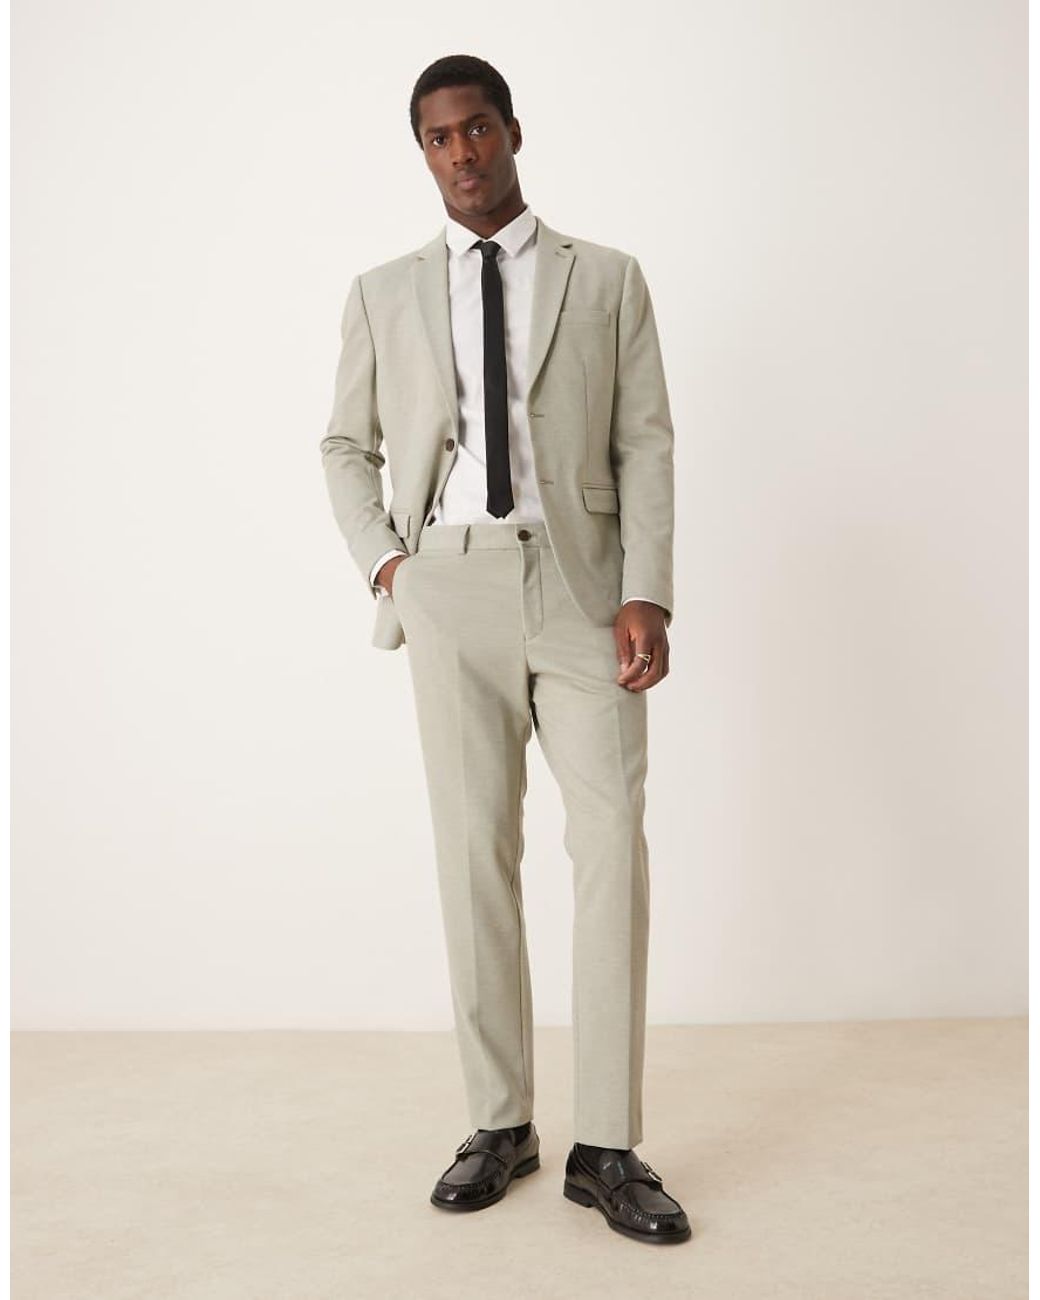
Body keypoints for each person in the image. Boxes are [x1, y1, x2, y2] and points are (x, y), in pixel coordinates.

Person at [320, 53, 690, 1245]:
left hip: (584, 592)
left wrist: (645, 591)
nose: (461, 153)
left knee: (609, 845)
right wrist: (391, 566)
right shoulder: (382, 292)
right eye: (438, 138)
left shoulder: (606, 277)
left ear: (512, 132)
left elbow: (644, 441)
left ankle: (607, 1144)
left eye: (475, 128)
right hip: (450, 584)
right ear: (422, 152)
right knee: (472, 851)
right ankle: (500, 1120)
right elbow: (343, 446)